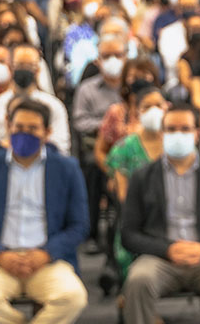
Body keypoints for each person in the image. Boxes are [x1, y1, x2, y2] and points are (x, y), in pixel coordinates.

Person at [0, 99, 88, 324]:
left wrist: (46, 253)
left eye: (32, 129)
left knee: (73, 297)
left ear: (47, 133)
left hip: (47, 260)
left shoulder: (67, 169)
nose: (24, 134)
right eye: (19, 128)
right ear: (8, 127)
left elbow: (79, 225)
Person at [120, 102, 200, 324]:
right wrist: (168, 249)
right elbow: (129, 234)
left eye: (185, 129)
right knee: (138, 279)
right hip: (160, 258)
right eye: (171, 129)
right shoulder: (142, 177)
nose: (178, 135)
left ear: (196, 133)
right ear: (162, 133)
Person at [104, 86, 165, 283]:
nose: (155, 110)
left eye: (159, 105)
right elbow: (123, 197)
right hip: (138, 219)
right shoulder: (124, 149)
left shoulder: (174, 146)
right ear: (137, 111)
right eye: (148, 106)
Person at [72, 38, 126, 252]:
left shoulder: (130, 85)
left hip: (130, 145)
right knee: (93, 169)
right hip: (98, 146)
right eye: (107, 56)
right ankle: (92, 234)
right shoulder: (87, 89)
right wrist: (108, 125)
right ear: (98, 60)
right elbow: (79, 120)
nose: (113, 60)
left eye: (118, 55)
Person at [0, 46, 70, 157]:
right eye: (19, 65)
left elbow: (61, 150)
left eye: (30, 66)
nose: (24, 70)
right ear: (10, 68)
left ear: (38, 70)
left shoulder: (54, 107)